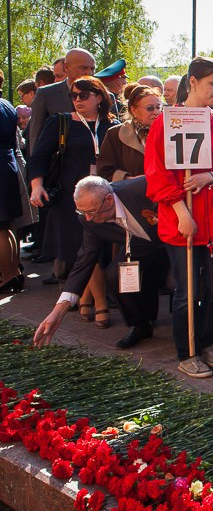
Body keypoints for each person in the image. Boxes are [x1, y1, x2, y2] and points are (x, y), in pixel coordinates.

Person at [145, 56, 213, 379]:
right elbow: (158, 174)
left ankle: (205, 341)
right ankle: (186, 351)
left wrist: (210, 176)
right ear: (194, 82)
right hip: (183, 220)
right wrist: (181, 212)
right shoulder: (166, 122)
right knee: (188, 291)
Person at [32, 177, 168, 349]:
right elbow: (84, 261)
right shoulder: (88, 220)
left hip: (177, 238)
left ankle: (190, 337)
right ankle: (140, 325)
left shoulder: (140, 188)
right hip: (139, 244)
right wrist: (57, 313)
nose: (88, 218)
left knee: (178, 285)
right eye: (82, 212)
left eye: (92, 211)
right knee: (114, 275)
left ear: (109, 200)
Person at [28, 76, 117, 325]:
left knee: (96, 248)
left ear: (99, 97)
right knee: (83, 248)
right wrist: (37, 186)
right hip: (70, 198)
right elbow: (39, 156)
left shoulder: (111, 125)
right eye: (73, 96)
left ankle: (86, 297)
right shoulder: (60, 122)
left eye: (83, 95)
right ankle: (100, 303)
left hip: (105, 198)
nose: (77, 100)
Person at [29, 48, 95, 152]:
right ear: (66, 67)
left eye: (92, 68)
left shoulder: (104, 96)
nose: (89, 73)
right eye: (84, 68)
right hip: (58, 160)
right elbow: (36, 135)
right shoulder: (46, 94)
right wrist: (36, 161)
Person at [97, 85, 162, 181]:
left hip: (164, 189)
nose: (156, 112)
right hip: (132, 189)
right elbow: (104, 171)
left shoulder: (169, 132)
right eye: (150, 108)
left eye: (158, 107)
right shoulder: (115, 133)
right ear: (133, 110)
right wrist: (129, 179)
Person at [0, 95, 23, 293]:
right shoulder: (6, 104)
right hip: (7, 164)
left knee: (1, 228)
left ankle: (8, 276)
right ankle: (13, 271)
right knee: (6, 226)